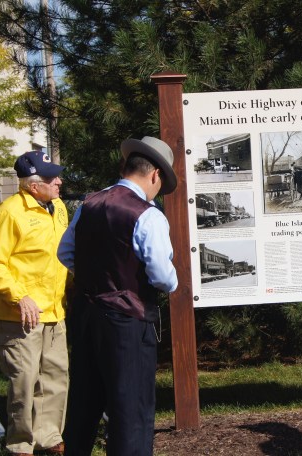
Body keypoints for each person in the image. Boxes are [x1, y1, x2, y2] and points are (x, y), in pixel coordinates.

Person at [58, 136, 178, 455]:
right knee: (131, 409)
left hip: (85, 314)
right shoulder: (147, 215)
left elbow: (65, 252)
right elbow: (163, 277)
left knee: (84, 403)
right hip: (127, 320)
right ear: (155, 175)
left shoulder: (90, 204)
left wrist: (96, 277)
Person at [0, 151, 68, 455]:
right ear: (33, 185)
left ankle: (49, 439)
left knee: (55, 379)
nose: (59, 181)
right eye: (51, 178)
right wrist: (20, 297)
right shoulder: (8, 213)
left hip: (55, 312)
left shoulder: (57, 208)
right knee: (24, 384)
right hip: (20, 316)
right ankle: (20, 446)